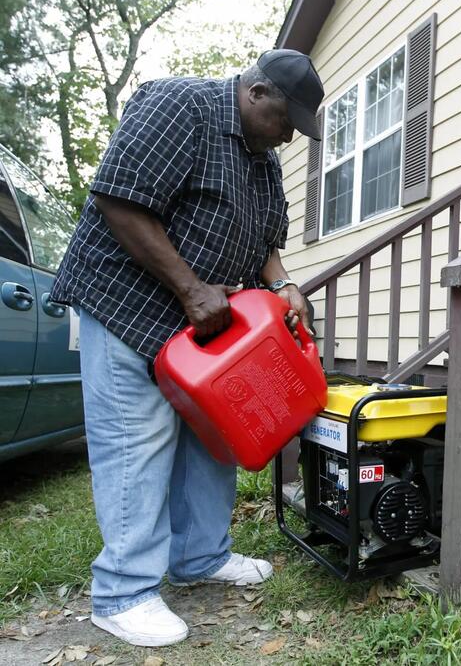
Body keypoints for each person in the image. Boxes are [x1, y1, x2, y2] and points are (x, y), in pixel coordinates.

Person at [50, 49, 324, 647]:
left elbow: (266, 242)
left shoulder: (261, 162)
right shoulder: (182, 104)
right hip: (130, 309)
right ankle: (123, 592)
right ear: (256, 94)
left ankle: (200, 557)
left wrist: (283, 284)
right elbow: (118, 199)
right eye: (286, 122)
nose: (287, 138)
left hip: (207, 337)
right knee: (135, 443)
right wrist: (190, 288)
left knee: (214, 441)